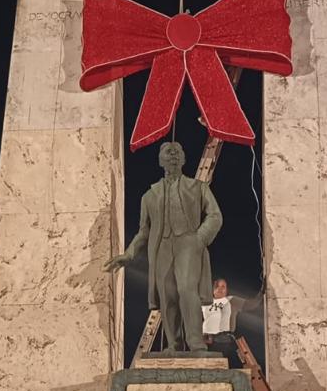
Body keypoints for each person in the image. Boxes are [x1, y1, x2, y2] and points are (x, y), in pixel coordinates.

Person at [106, 141, 222, 353]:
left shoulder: (198, 188)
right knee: (167, 296)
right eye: (168, 153)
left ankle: (196, 343)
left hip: (188, 243)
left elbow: (215, 215)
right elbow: (144, 231)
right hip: (161, 248)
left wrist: (199, 238)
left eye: (177, 152)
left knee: (187, 289)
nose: (173, 156)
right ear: (160, 161)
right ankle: (174, 344)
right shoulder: (149, 196)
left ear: (184, 159)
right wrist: (129, 254)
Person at [202, 275, 264, 358]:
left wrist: (262, 291)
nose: (219, 289)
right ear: (213, 290)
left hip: (223, 341)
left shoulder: (231, 301)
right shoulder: (206, 303)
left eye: (223, 287)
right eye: (217, 286)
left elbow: (251, 305)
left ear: (226, 290)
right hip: (206, 341)